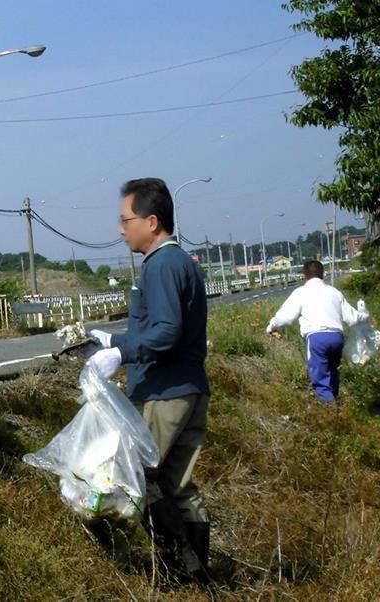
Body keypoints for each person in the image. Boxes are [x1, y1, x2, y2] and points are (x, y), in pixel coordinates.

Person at [88, 178, 211, 582]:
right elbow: (159, 329)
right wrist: (116, 339)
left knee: (136, 476)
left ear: (152, 221)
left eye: (126, 220)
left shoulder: (159, 265)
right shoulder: (180, 263)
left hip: (164, 392)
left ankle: (178, 568)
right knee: (179, 485)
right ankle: (199, 575)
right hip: (189, 387)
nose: (121, 229)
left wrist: (123, 353)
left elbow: (166, 331)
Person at [266, 260, 365, 402]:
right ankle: (334, 400)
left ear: (304, 276)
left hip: (316, 338)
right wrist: (364, 316)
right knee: (332, 371)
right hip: (337, 337)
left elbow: (286, 317)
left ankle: (331, 410)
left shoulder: (300, 292)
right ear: (323, 274)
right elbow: (352, 317)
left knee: (319, 377)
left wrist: (272, 326)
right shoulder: (334, 292)